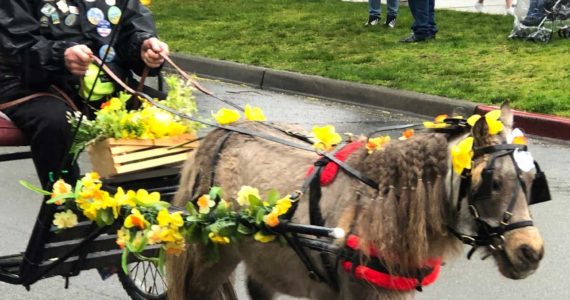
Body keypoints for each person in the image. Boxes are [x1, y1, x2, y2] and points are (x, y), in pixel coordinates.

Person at [0, 0, 169, 189]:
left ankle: (137, 206)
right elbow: (15, 44)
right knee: (56, 121)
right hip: (31, 84)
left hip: (106, 87)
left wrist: (144, 46)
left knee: (162, 117)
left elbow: (132, 28)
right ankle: (65, 207)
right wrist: (60, 55)